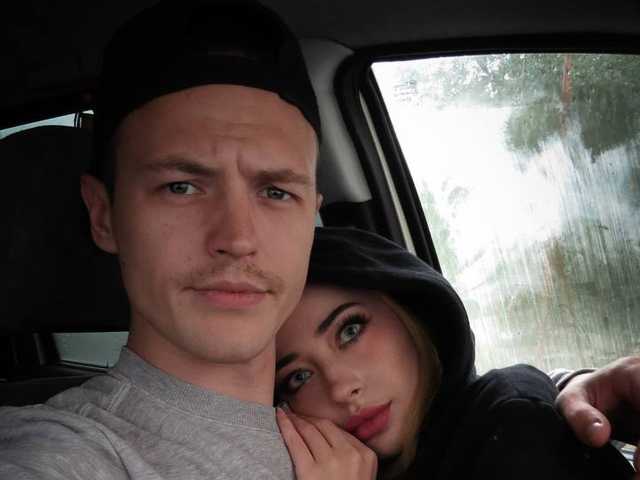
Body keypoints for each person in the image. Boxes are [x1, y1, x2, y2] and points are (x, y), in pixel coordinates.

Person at [0, 0, 639, 479]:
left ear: (312, 214)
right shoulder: (65, 452)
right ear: (104, 215)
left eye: (276, 191)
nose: (237, 239)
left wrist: (555, 393)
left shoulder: (394, 437)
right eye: (181, 186)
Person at [274, 226, 636, 479]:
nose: (340, 389)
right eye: (299, 377)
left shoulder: (511, 427)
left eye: (350, 330)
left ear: (411, 310)